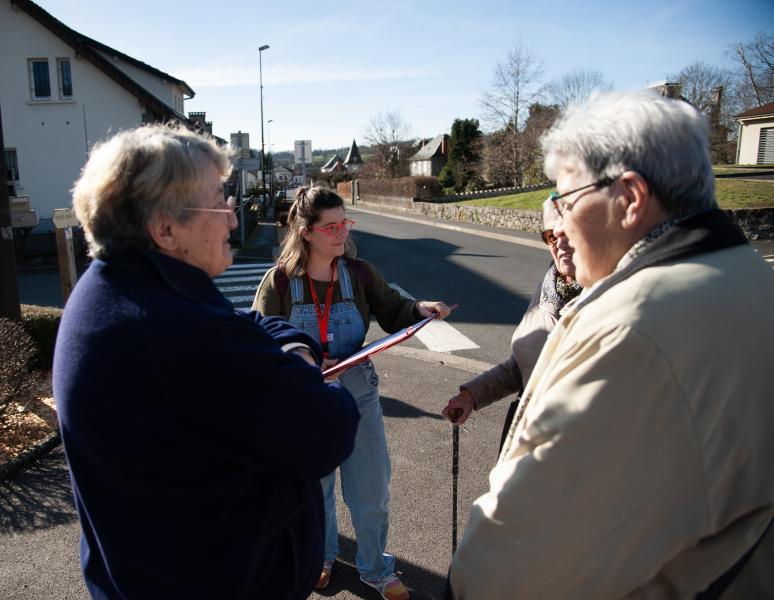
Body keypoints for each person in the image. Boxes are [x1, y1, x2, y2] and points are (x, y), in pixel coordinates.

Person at [449, 91, 774, 598]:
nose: (557, 222)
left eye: (566, 200)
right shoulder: (751, 277)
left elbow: (515, 569)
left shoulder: (631, 328)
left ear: (630, 198)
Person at [52, 124, 360, 600]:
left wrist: (290, 344)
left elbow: (246, 323)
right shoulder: (180, 333)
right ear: (165, 228)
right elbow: (329, 427)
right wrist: (305, 367)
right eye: (219, 201)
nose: (233, 220)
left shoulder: (121, 290)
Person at [252, 186, 452, 600]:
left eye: (345, 222)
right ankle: (321, 558)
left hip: (358, 390)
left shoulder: (360, 273)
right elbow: (259, 342)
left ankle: (376, 568)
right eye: (331, 226)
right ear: (306, 231)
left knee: (371, 488)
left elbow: (394, 309)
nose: (341, 232)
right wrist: (299, 364)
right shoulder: (281, 281)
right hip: (304, 398)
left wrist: (419, 309)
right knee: (316, 489)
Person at [441, 199, 581, 452]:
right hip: (528, 431)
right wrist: (472, 395)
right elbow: (525, 365)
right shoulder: (551, 285)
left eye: (569, 233)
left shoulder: (614, 300)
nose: (559, 244)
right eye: (551, 236)